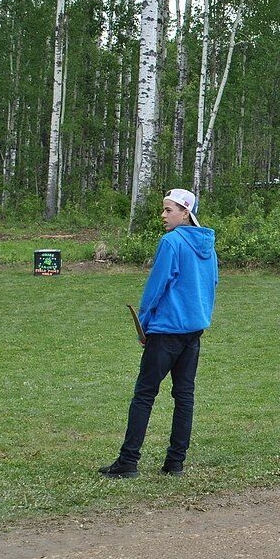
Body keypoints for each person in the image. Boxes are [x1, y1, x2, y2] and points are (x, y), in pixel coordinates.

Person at [99, 188, 218, 478]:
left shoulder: (171, 242)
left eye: (169, 210)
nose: (163, 215)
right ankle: (175, 463)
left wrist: (144, 324)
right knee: (184, 396)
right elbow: (212, 284)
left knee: (144, 394)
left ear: (185, 212)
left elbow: (156, 287)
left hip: (166, 331)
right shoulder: (208, 244)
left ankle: (128, 462)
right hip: (193, 330)